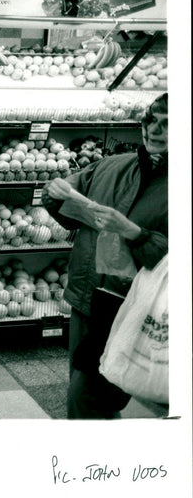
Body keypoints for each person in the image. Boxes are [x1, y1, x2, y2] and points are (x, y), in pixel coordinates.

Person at [42, 92, 168, 419]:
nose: (154, 130)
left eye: (168, 124)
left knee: (89, 397)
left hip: (137, 308)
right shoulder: (112, 166)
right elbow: (69, 213)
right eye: (150, 121)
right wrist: (54, 195)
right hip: (88, 297)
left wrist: (134, 233)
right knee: (86, 391)